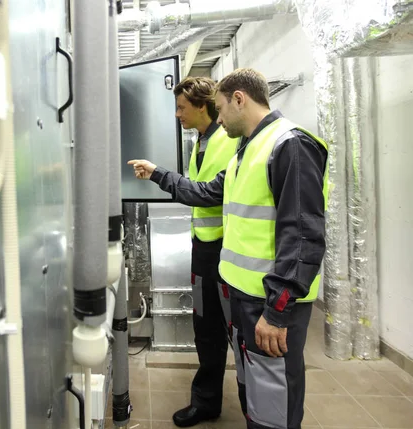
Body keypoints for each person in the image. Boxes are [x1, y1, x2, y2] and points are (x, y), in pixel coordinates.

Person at [129, 68, 328, 429]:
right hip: (241, 291)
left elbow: (303, 236)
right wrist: (158, 174)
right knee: (256, 390)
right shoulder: (245, 152)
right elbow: (205, 194)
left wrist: (278, 310)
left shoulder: (291, 145)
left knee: (273, 397)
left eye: (220, 108)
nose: (218, 118)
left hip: (269, 301)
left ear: (240, 99)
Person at [129, 76, 239, 427]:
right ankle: (206, 401)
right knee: (205, 327)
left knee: (237, 332)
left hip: (228, 251)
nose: (177, 114)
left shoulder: (228, 140)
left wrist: (161, 175)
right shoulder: (201, 141)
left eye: (182, 107)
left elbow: (207, 192)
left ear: (204, 105)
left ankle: (259, 407)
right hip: (204, 251)